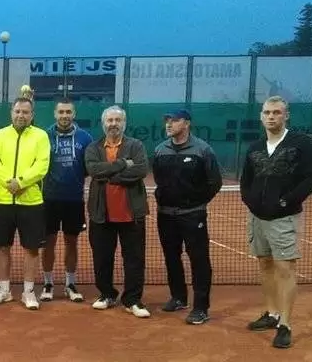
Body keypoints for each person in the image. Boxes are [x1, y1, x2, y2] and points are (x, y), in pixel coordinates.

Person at [240, 96, 312, 349]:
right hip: (257, 217)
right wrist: (250, 201)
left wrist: (286, 202)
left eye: (277, 112)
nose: (271, 116)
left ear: (286, 115)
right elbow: (246, 180)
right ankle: (272, 313)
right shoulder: (255, 147)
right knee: (264, 263)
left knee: (285, 268)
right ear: (261, 116)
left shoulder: (302, 143)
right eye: (267, 112)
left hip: (284, 217)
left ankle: (285, 324)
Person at [152, 109, 222, 325]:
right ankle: (179, 297)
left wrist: (196, 203)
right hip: (166, 215)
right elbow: (158, 179)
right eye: (167, 120)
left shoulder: (203, 150)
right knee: (171, 257)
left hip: (193, 215)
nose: (169, 124)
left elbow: (215, 182)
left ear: (187, 123)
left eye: (174, 120)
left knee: (199, 260)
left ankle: (201, 307)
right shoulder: (160, 150)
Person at [84, 106, 151, 318]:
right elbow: (94, 170)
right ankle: (107, 294)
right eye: (110, 120)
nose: (113, 124)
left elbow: (141, 169)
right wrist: (122, 164)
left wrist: (111, 176)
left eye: (117, 120)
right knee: (102, 258)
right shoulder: (93, 147)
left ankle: (133, 300)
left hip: (132, 214)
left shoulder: (136, 145)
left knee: (134, 259)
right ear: (103, 123)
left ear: (124, 123)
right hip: (101, 214)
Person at [0, 97, 50, 310]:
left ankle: (28, 292)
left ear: (32, 115)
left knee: (31, 249)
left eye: (25, 112)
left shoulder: (41, 136)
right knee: (2, 247)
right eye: (17, 111)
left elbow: (42, 165)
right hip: (3, 200)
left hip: (31, 202)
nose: (21, 115)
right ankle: (4, 291)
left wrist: (21, 182)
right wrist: (9, 183)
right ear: (11, 113)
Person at [40, 98, 93, 303]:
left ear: (74, 114)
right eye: (61, 112)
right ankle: (48, 283)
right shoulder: (45, 136)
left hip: (74, 199)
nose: (64, 116)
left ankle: (70, 284)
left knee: (72, 243)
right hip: (49, 199)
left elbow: (88, 167)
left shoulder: (85, 137)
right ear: (55, 114)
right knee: (48, 243)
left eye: (68, 112)